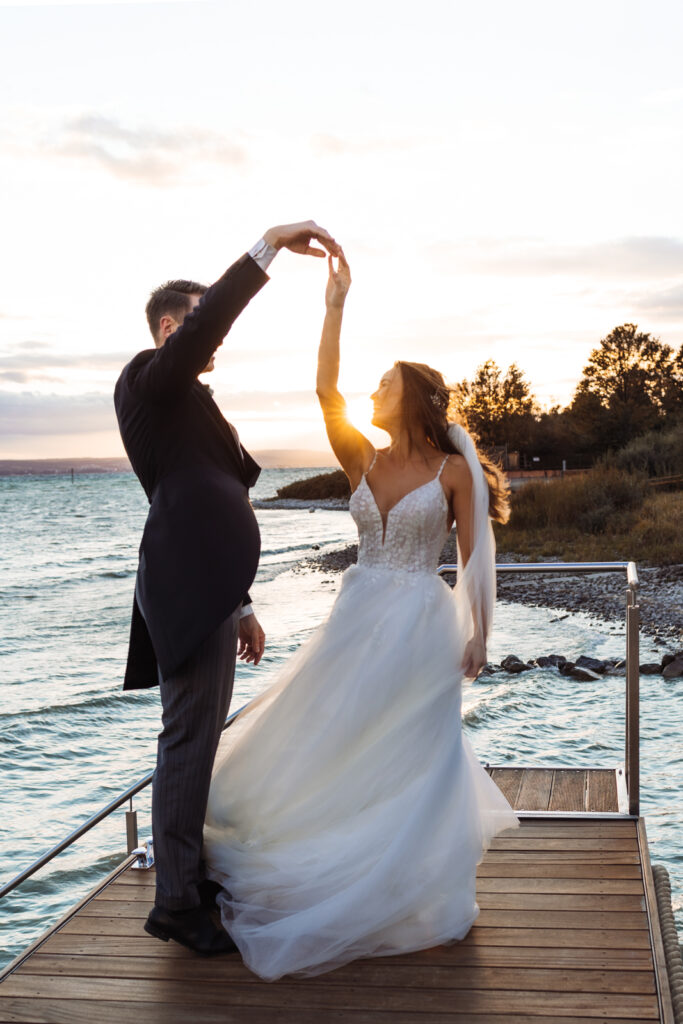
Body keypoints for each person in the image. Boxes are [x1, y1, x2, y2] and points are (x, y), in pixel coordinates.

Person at [202, 251, 521, 979]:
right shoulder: (362, 459)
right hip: (356, 614)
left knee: (414, 753)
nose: (371, 391)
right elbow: (324, 389)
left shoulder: (450, 475)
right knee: (336, 737)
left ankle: (419, 889)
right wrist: (334, 304)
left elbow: (474, 564)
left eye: (384, 383)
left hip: (418, 622)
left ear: (411, 399)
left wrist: (480, 637)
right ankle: (332, 861)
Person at [114, 220, 341, 956]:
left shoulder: (189, 404)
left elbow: (223, 487)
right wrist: (266, 246)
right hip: (182, 584)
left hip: (209, 588)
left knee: (200, 741)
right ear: (170, 326)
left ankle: (189, 874)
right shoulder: (148, 378)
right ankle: (176, 902)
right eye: (198, 319)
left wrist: (240, 601)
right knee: (185, 743)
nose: (212, 338)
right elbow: (206, 326)